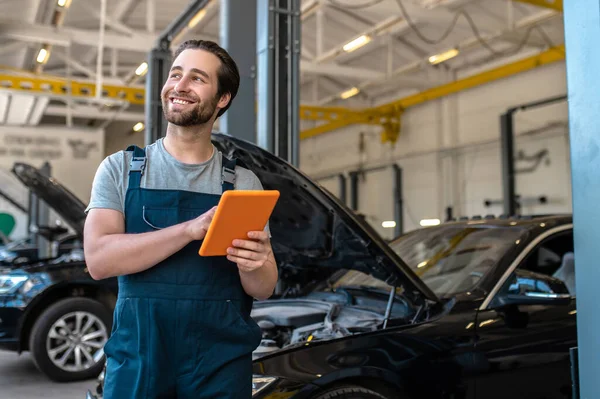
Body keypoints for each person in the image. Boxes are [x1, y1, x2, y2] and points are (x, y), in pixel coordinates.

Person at [83, 39, 278, 398]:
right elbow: (99, 259)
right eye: (176, 74)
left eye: (197, 78)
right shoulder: (122, 169)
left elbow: (263, 288)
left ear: (223, 99)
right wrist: (189, 230)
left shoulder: (243, 183)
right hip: (139, 354)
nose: (180, 85)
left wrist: (257, 262)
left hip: (219, 360)